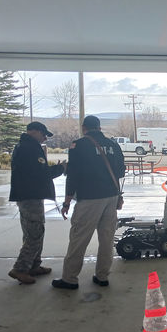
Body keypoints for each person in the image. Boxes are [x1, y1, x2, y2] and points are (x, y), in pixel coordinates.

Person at [52, 115, 125, 290]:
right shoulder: (114, 145)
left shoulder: (79, 145)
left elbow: (73, 174)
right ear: (99, 128)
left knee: (79, 238)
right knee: (107, 239)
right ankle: (102, 276)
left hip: (90, 198)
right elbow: (121, 171)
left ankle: (69, 278)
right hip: (111, 197)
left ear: (84, 128)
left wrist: (67, 200)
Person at [8, 122, 66, 285]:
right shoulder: (30, 148)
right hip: (30, 196)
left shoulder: (25, 146)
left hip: (28, 195)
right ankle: (20, 269)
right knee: (34, 233)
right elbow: (42, 174)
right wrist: (61, 168)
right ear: (34, 132)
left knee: (33, 231)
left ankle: (34, 265)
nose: (45, 137)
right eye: (43, 134)